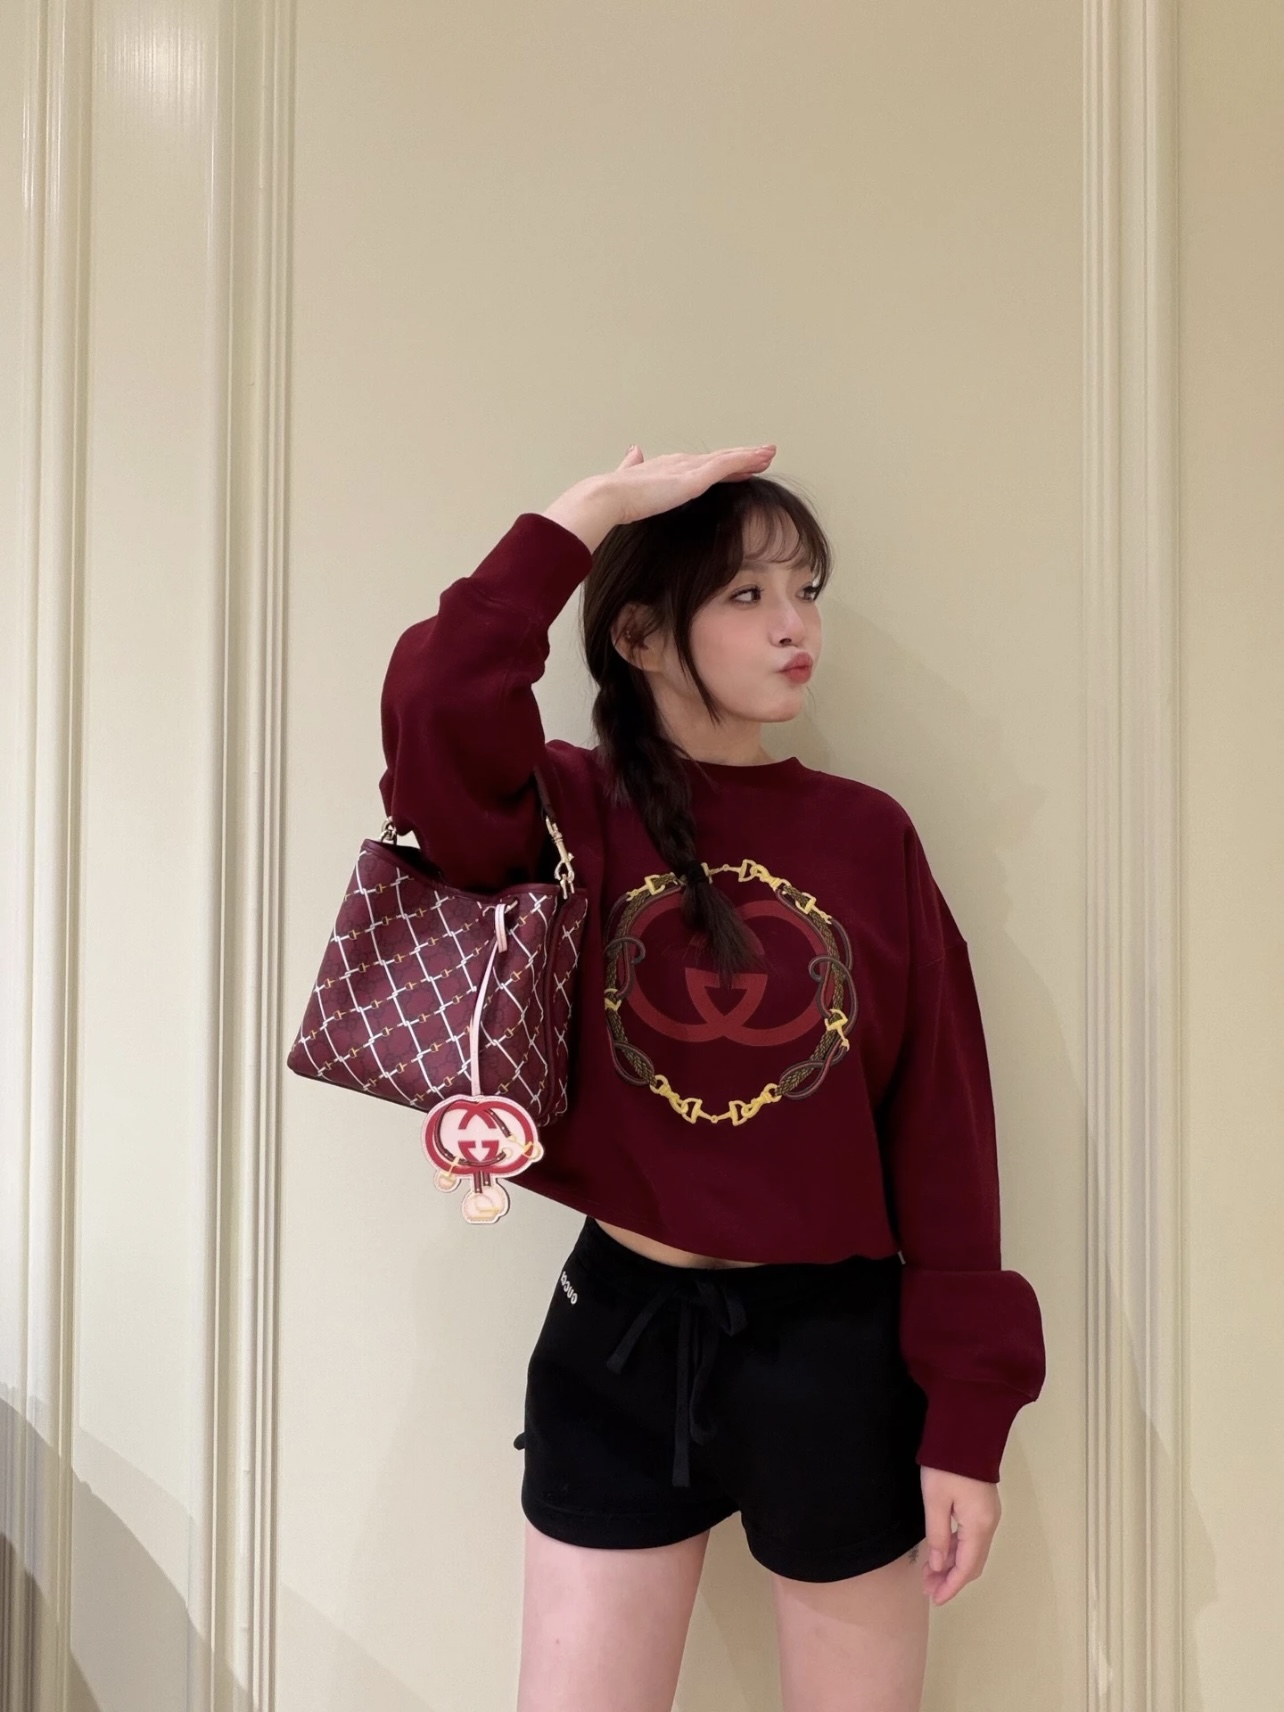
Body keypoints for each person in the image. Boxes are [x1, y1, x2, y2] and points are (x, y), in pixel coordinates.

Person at [378, 444, 1046, 1712]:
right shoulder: (565, 811)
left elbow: (945, 1132)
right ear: (640, 633)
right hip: (618, 1333)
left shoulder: (869, 834)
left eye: (807, 590)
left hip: (834, 1347)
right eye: (748, 594)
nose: (796, 626)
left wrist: (969, 1418)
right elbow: (433, 707)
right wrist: (584, 515)